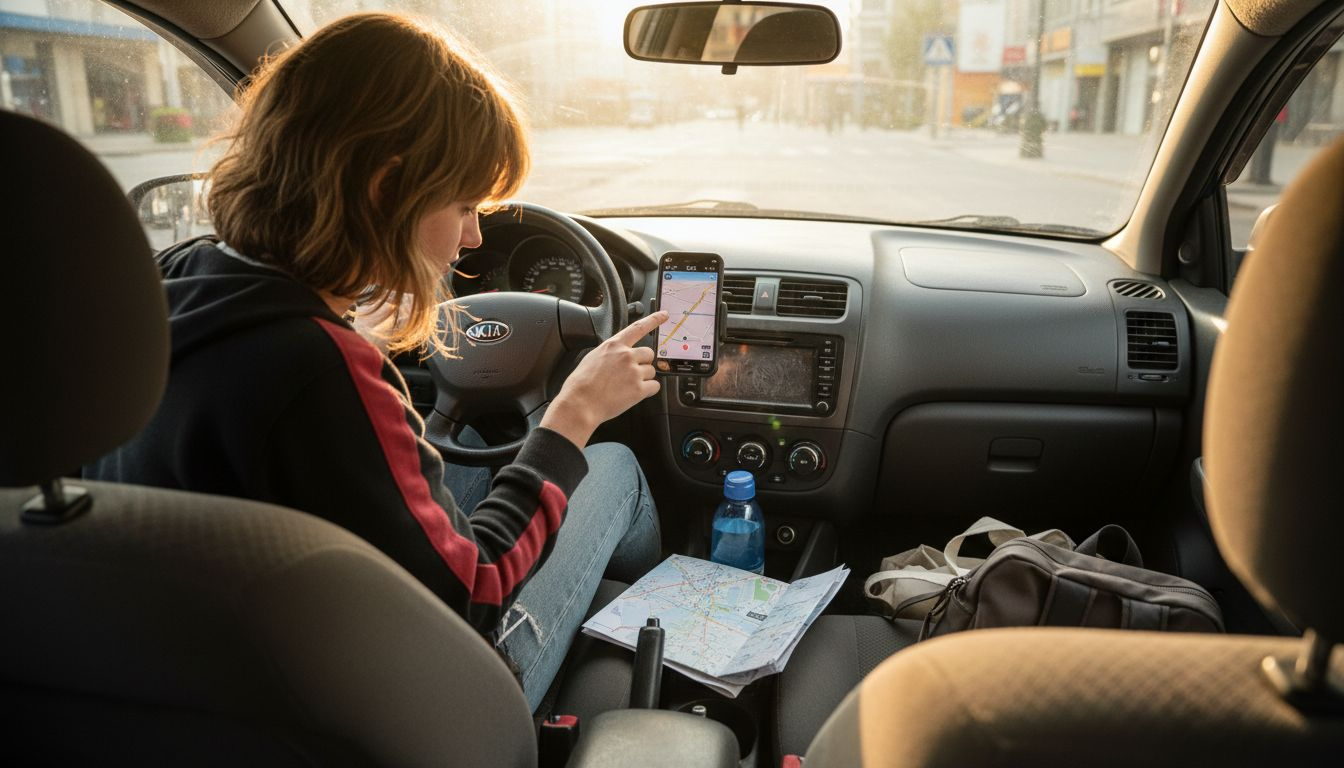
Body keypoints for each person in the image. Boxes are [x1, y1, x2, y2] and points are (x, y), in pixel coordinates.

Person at [89, 12, 667, 712]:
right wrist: (576, 413)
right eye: (462, 205)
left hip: (211, 678)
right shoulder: (319, 371)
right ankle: (650, 640)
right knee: (613, 470)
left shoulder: (173, 281)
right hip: (426, 701)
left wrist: (347, 326)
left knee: (475, 451)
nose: (474, 237)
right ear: (386, 189)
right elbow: (473, 592)